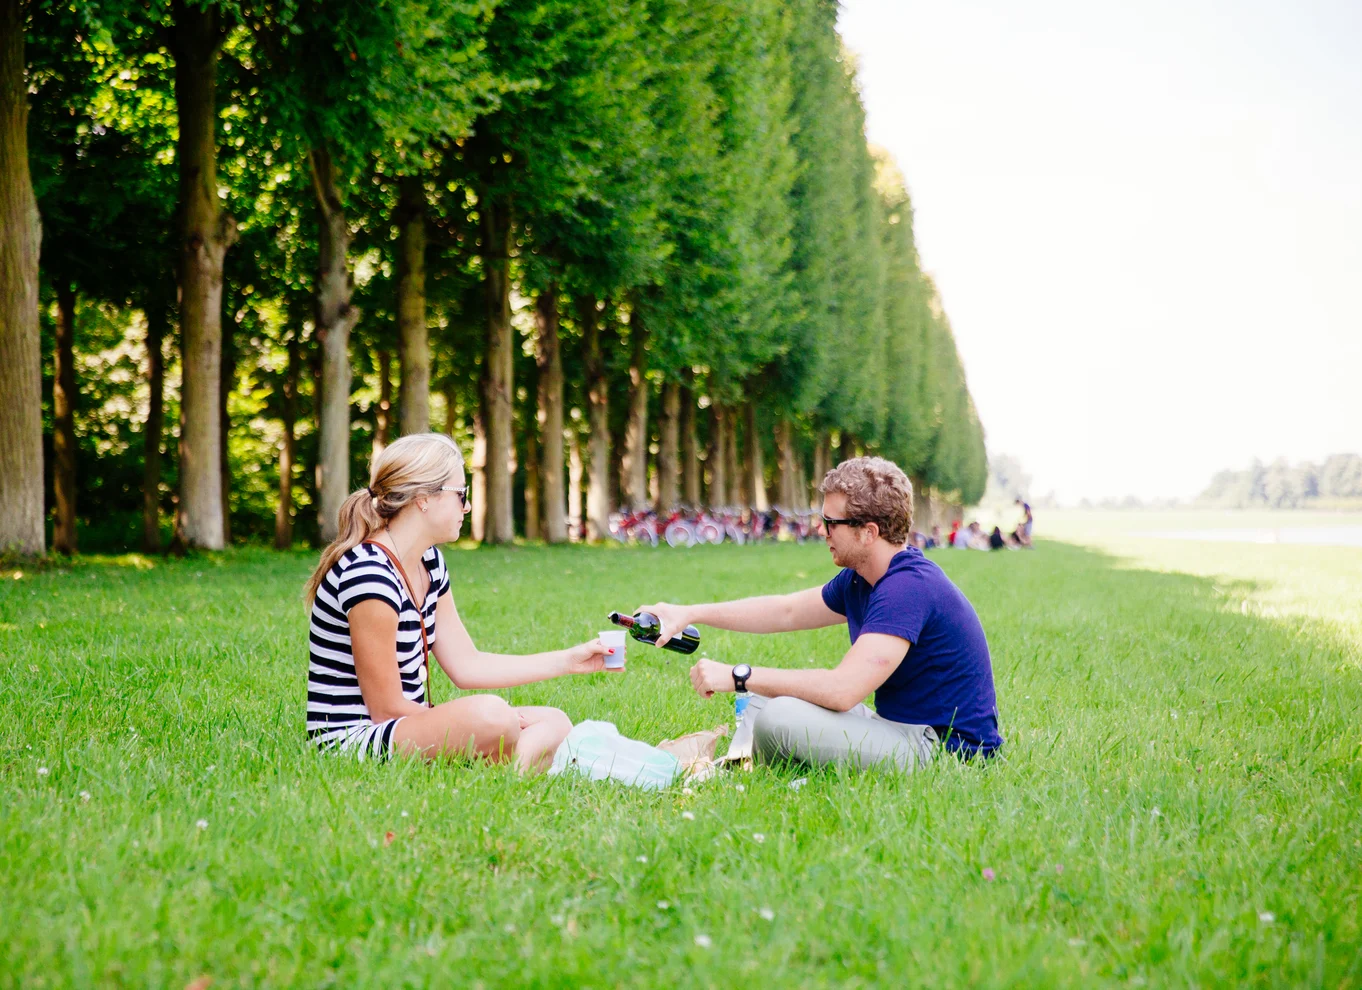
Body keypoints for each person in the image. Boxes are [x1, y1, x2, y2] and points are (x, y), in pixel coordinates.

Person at [639, 456, 1003, 771]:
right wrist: (689, 613)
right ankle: (738, 763)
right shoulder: (861, 578)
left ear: (868, 532)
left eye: (831, 522)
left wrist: (738, 675)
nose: (821, 530)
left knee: (778, 716)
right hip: (897, 729)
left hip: (944, 752)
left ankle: (740, 766)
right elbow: (785, 610)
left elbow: (842, 690)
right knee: (767, 701)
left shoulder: (907, 588)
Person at [304, 433, 612, 771]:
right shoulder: (369, 574)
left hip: (403, 725)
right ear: (424, 498)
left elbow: (467, 664)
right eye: (460, 494)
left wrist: (568, 661)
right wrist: (481, 723)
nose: (466, 506)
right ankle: (508, 766)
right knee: (493, 716)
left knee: (554, 721)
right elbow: (386, 708)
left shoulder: (429, 562)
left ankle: (507, 774)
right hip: (355, 741)